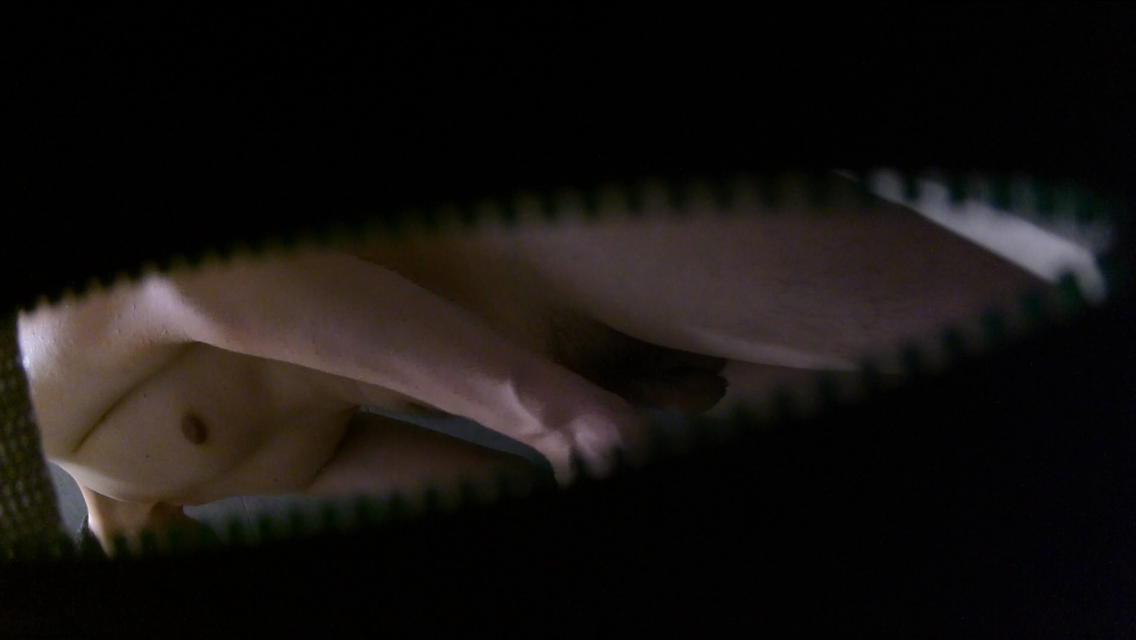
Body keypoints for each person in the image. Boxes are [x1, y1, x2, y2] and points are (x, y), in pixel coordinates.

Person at [16, 177, 1050, 553]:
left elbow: (189, 285)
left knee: (1002, 321)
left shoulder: (31, 394)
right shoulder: (152, 500)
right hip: (606, 388)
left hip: (544, 260)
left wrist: (545, 411)